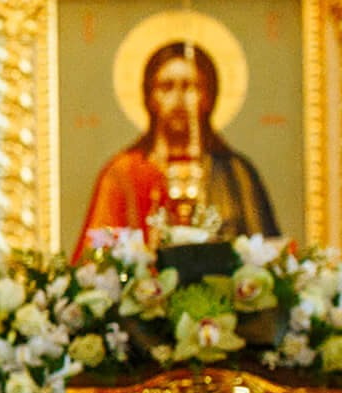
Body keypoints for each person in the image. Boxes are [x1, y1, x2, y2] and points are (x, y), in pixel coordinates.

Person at [74, 41, 278, 254]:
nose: (179, 99)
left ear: (209, 96)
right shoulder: (122, 173)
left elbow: (268, 255)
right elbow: (95, 260)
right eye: (166, 87)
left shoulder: (236, 173)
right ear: (150, 97)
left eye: (191, 86)